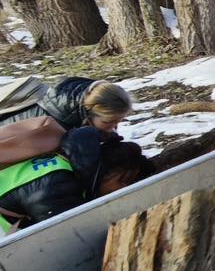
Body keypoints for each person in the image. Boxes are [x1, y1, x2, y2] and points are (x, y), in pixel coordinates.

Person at [0, 126, 154, 234]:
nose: (124, 189)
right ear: (107, 172)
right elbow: (63, 238)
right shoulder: (57, 186)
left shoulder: (67, 165)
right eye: (124, 180)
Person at [0, 77, 133, 133]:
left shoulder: (71, 108)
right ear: (89, 110)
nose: (114, 127)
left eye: (119, 121)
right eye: (108, 122)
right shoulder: (54, 126)